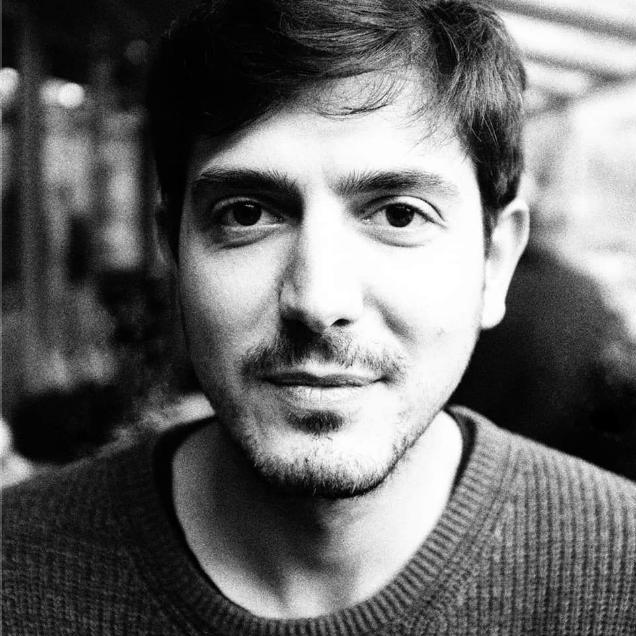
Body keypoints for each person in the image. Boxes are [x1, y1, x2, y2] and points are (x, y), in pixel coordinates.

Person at [3, 1, 635, 634]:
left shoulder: (621, 572)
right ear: (174, 252)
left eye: (399, 214)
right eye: (246, 214)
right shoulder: (15, 574)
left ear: (494, 263)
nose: (318, 300)